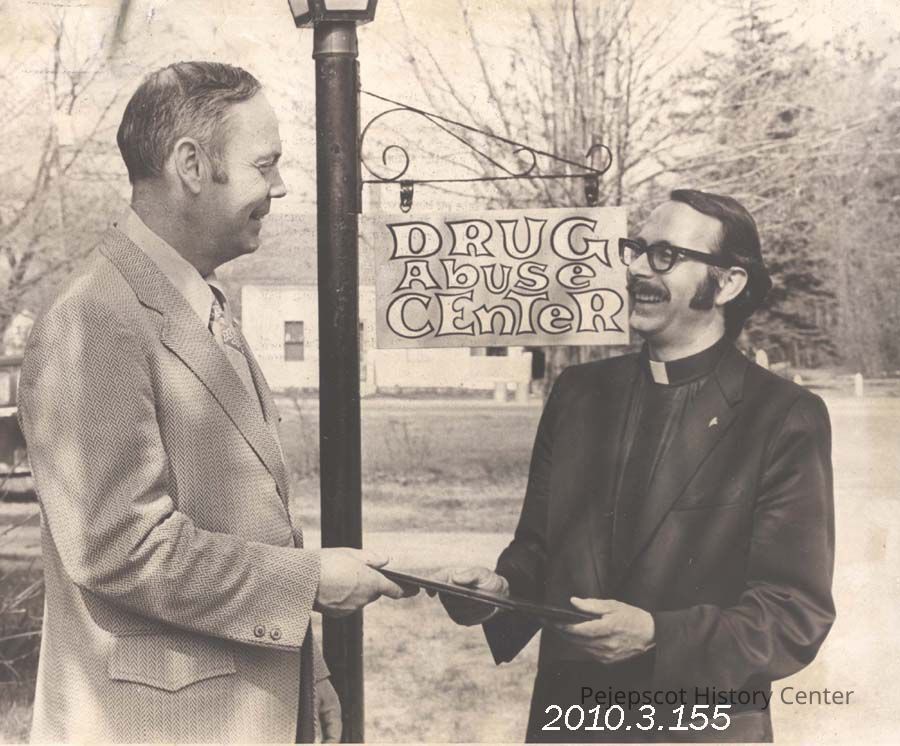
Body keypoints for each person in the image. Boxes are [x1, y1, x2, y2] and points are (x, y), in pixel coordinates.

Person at [18, 61, 408, 743]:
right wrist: (308, 583)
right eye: (265, 165)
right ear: (192, 166)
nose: (279, 188)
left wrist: (305, 673)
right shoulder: (94, 320)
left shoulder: (194, 301)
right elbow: (121, 547)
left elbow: (251, 522)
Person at [436, 190, 834, 742]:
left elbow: (793, 614)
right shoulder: (578, 393)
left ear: (728, 283)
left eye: (665, 255)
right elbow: (539, 550)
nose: (637, 269)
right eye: (636, 249)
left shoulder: (782, 415)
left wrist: (657, 635)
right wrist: (498, 593)